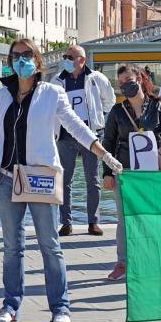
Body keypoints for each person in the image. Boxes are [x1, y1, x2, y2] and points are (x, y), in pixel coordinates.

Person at [0, 39, 122, 322]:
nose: (21, 60)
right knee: (12, 247)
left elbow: (75, 126)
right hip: (7, 178)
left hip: (39, 177)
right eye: (16, 56)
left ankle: (60, 306)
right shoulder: (3, 94)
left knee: (49, 244)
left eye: (27, 55)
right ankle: (10, 305)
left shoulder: (52, 92)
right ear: (9, 61)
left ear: (37, 59)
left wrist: (103, 152)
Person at [102, 65, 161, 280]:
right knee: (124, 218)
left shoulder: (158, 106)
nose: (125, 84)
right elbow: (108, 142)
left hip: (153, 170)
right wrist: (107, 172)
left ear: (140, 79)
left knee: (152, 216)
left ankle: (154, 259)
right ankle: (123, 262)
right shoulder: (117, 111)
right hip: (125, 171)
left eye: (128, 79)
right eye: (121, 82)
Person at [51, 44, 115, 237]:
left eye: (71, 56)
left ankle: (93, 222)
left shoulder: (96, 78)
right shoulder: (57, 80)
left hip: (91, 136)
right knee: (65, 180)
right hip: (65, 136)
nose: (66, 59)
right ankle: (66, 222)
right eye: (65, 56)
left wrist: (98, 120)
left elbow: (109, 101)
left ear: (82, 60)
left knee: (92, 180)